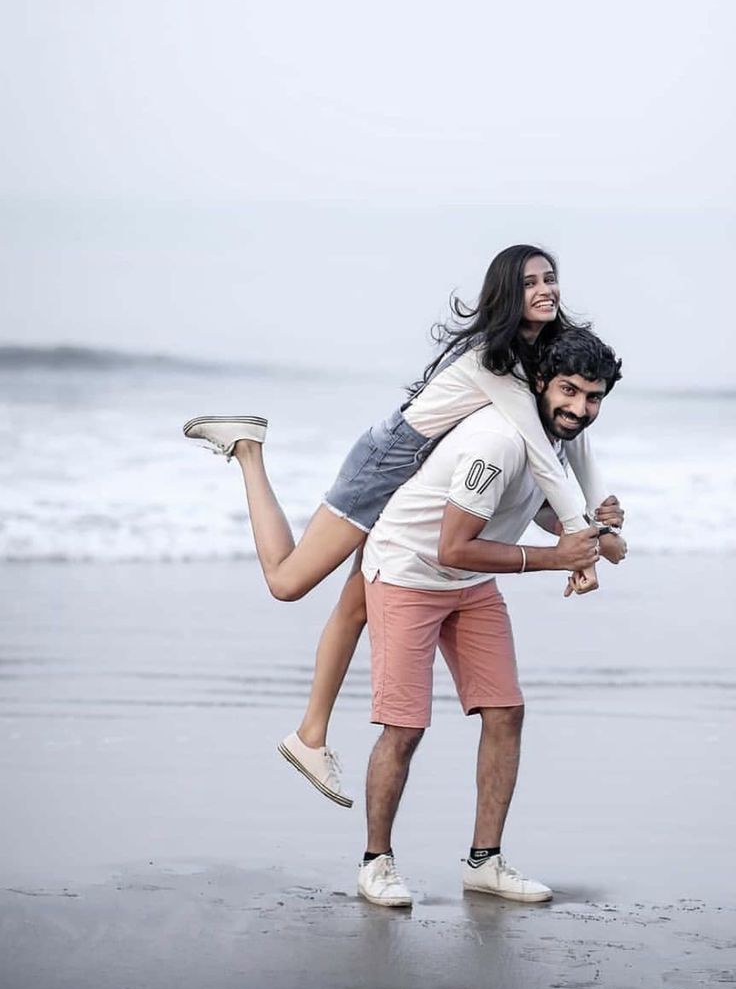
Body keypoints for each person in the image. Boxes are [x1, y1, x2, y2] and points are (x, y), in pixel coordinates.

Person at [183, 245, 622, 808]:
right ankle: (248, 449)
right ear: (506, 294)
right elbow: (541, 452)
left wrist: (598, 515)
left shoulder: (546, 360)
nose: (545, 288)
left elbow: (572, 441)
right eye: (530, 281)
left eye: (551, 278)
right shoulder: (496, 358)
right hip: (390, 459)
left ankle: (310, 737)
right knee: (288, 583)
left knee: (362, 600)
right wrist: (577, 541)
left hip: (423, 475)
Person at [356, 327, 625, 907]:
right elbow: (454, 545)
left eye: (594, 397)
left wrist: (587, 527)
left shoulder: (553, 439)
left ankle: (485, 862)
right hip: (409, 571)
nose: (580, 408)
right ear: (539, 384)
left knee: (505, 712)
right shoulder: (498, 442)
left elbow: (528, 511)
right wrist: (557, 558)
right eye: (570, 391)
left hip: (471, 582)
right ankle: (376, 863)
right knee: (404, 726)